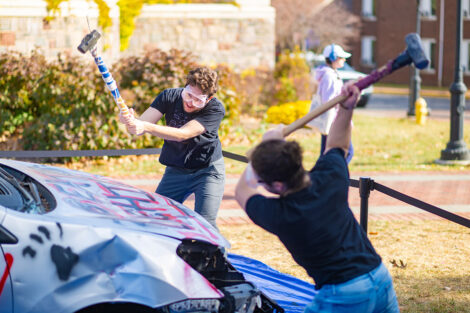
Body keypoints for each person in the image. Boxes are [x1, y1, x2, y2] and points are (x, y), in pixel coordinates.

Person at [235, 83, 400, 313]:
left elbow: (242, 191)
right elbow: (338, 145)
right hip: (379, 277)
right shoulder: (329, 177)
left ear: (278, 185)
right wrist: (346, 109)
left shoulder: (281, 215)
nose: (260, 185)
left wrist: (265, 146)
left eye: (263, 182)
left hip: (344, 295)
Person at [120, 66, 225, 230]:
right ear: (185, 87)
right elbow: (141, 125)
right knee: (157, 216)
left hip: (208, 171)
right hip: (176, 169)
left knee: (205, 224)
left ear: (209, 99)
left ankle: (215, 256)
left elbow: (182, 134)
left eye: (198, 100)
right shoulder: (168, 96)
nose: (190, 102)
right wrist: (130, 121)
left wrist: (143, 126)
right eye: (188, 95)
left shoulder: (215, 109)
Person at [307, 44, 354, 163]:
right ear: (333, 58)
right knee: (347, 151)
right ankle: (332, 177)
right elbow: (327, 101)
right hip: (333, 120)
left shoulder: (331, 73)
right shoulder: (328, 75)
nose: (344, 59)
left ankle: (321, 178)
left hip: (333, 120)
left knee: (326, 153)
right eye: (341, 57)